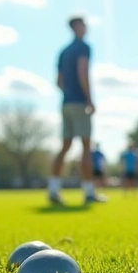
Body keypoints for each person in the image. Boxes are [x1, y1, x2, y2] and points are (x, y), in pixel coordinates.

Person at [48, 16, 103, 205]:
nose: (85, 28)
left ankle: (53, 190)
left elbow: (58, 81)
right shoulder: (83, 47)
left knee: (65, 146)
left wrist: (68, 93)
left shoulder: (63, 51)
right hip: (79, 102)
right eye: (83, 25)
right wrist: (89, 99)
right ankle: (89, 192)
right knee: (86, 145)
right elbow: (82, 71)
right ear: (77, 27)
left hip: (66, 103)